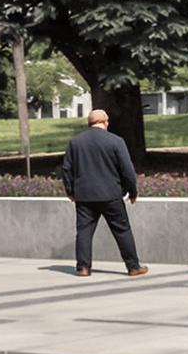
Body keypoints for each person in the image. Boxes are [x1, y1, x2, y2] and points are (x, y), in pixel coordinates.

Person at [61, 108, 146, 277]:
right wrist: (132, 191)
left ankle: (83, 267)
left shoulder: (76, 142)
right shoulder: (116, 141)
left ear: (89, 123)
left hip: (84, 195)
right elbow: (127, 170)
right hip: (111, 194)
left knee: (84, 231)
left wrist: (70, 191)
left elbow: (66, 169)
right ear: (106, 122)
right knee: (122, 230)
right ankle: (133, 266)